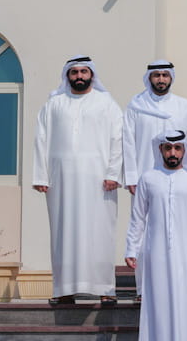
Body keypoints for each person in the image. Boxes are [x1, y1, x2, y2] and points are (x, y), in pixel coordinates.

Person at [31, 56, 125, 307]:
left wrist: (114, 174)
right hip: (61, 180)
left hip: (99, 180)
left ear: (92, 74)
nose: (79, 76)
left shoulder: (107, 103)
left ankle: (105, 288)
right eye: (74, 72)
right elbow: (41, 139)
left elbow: (118, 140)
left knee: (100, 232)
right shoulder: (54, 104)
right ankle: (64, 289)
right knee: (63, 232)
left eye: (84, 71)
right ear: (67, 75)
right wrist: (41, 175)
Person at [125, 130, 187, 341]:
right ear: (160, 150)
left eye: (177, 148)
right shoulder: (149, 179)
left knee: (184, 305)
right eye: (168, 148)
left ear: (184, 151)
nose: (173, 153)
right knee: (156, 304)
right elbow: (137, 218)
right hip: (155, 253)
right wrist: (132, 248)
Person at [122, 61, 187, 192]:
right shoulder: (136, 106)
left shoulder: (185, 107)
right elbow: (128, 142)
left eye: (165, 75)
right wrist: (131, 178)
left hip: (177, 175)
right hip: (143, 171)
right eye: (157, 75)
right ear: (149, 78)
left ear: (171, 78)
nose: (161, 79)